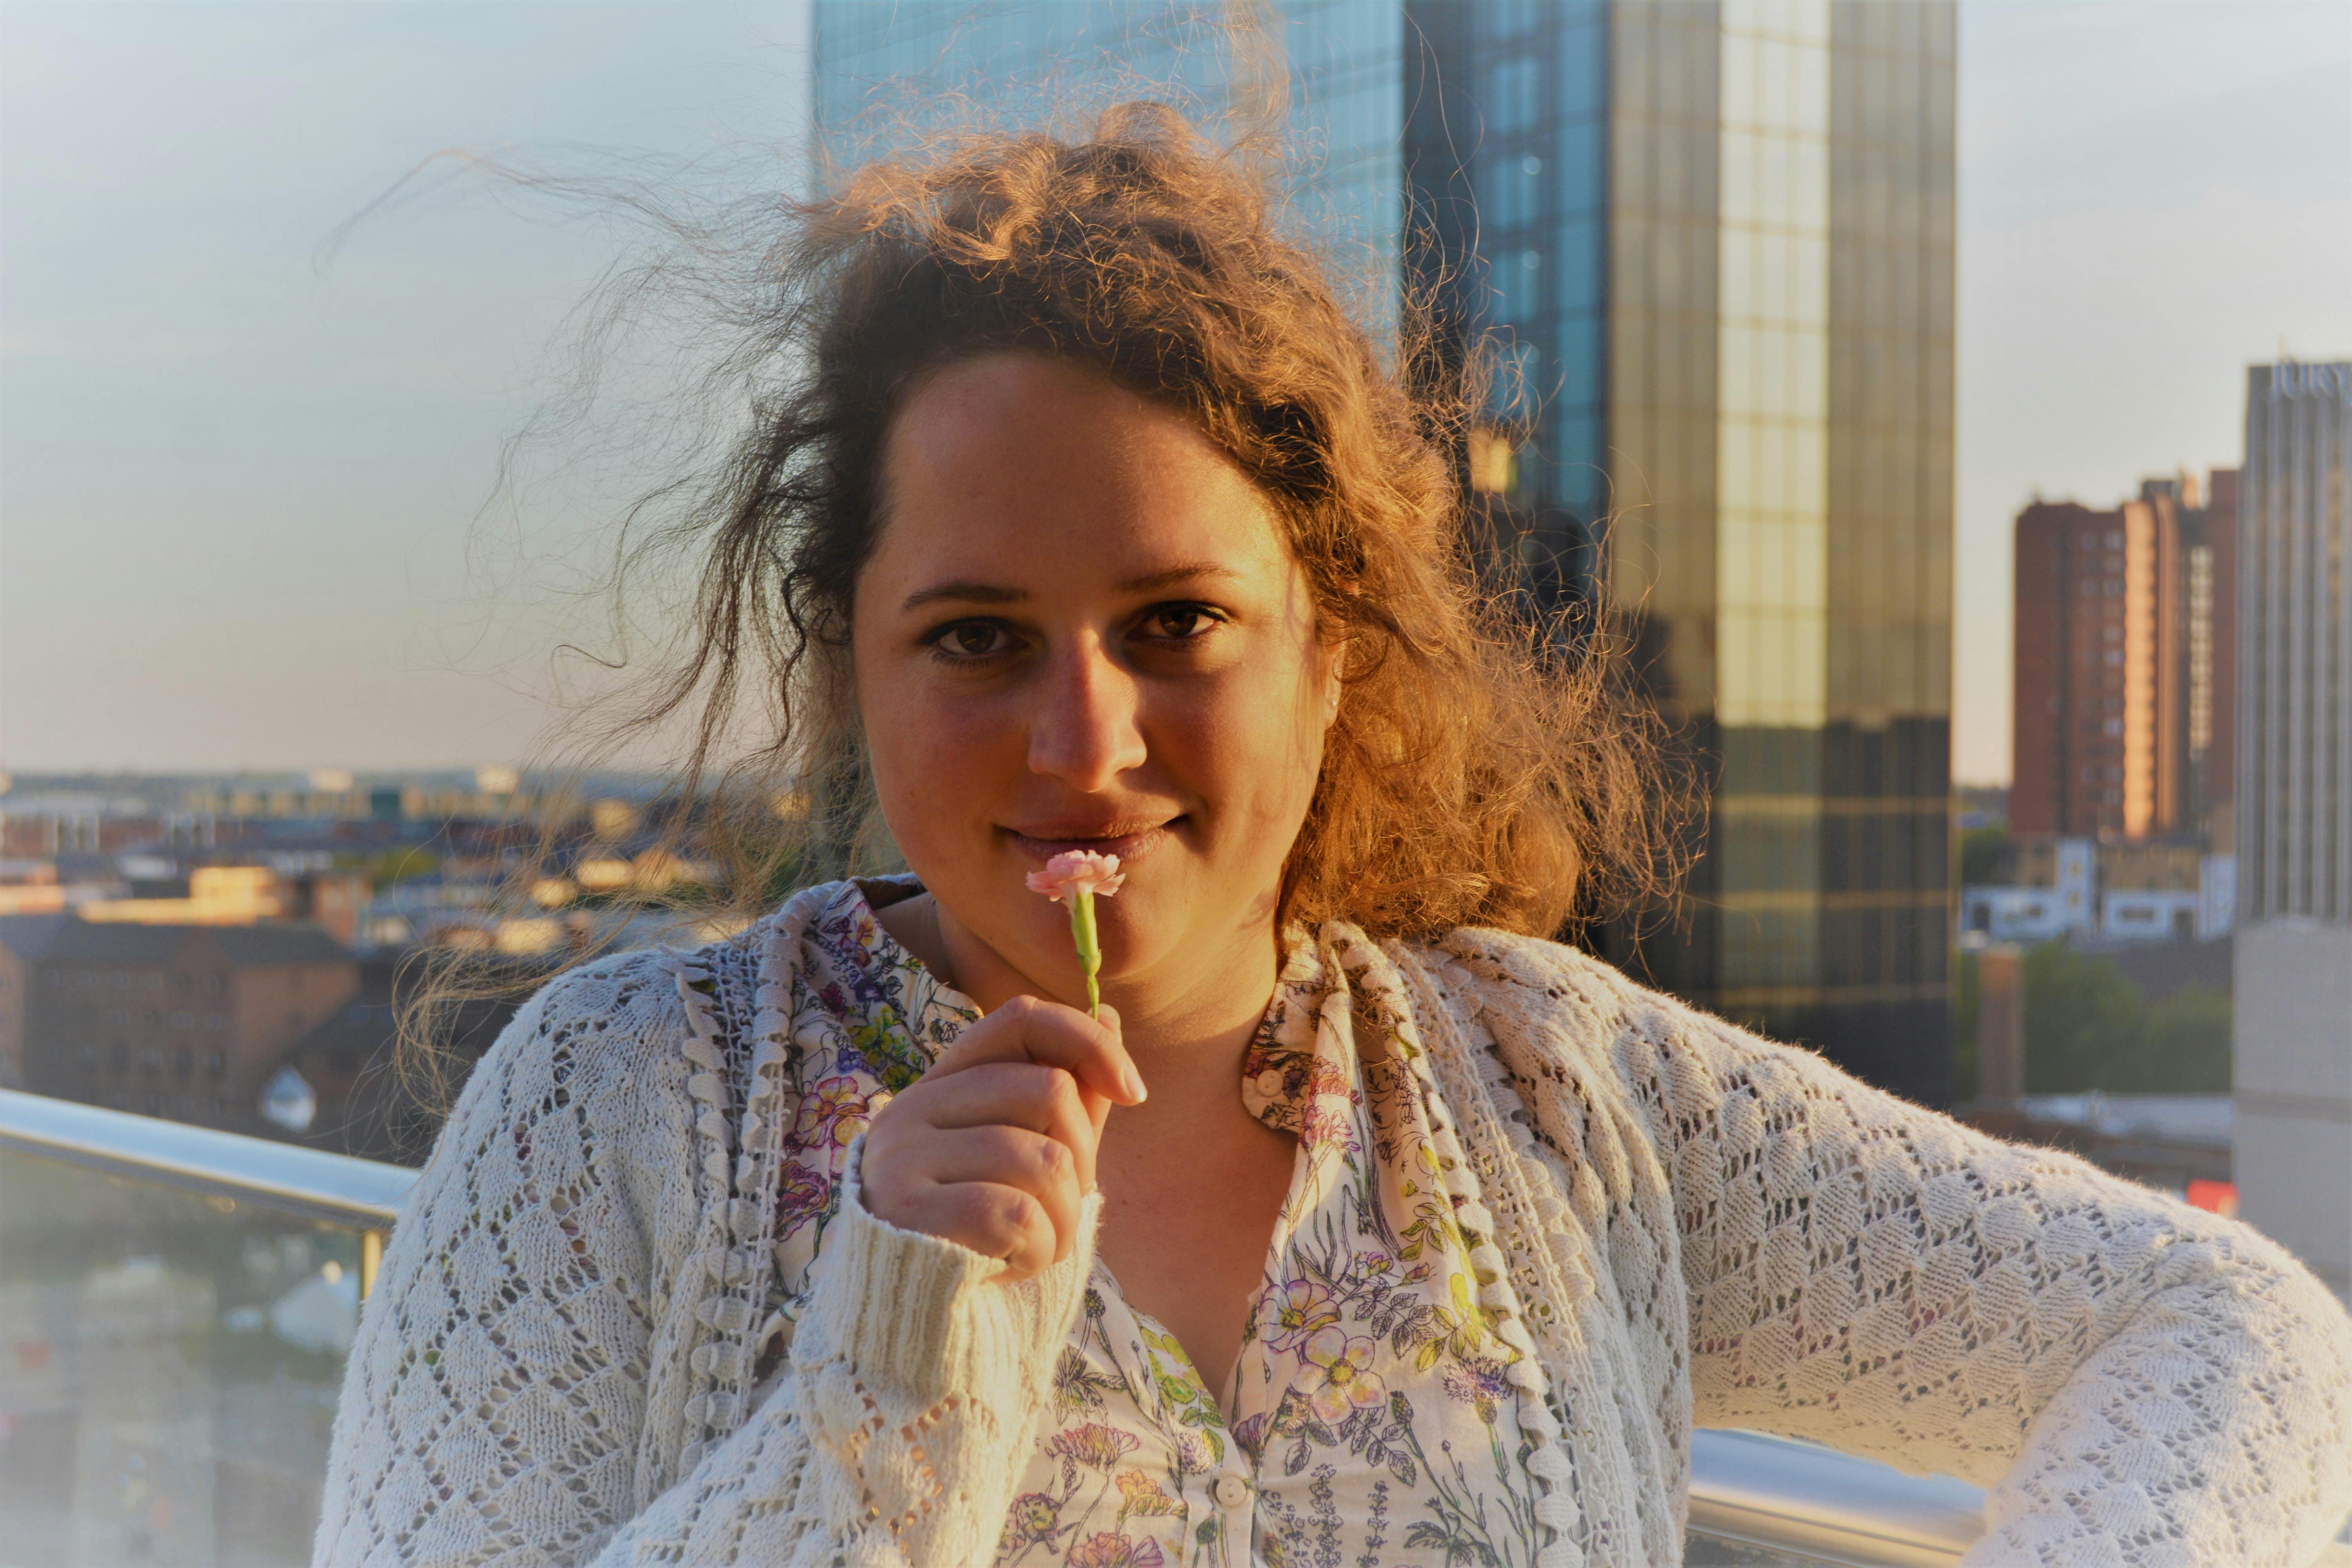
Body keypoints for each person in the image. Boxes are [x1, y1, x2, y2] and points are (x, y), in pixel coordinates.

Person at [312, 107, 2352, 1568]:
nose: (1082, 738)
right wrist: (885, 1391)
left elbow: (2229, 1326)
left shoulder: (1563, 1088)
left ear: (1332, 655)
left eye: (1177, 623)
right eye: (977, 635)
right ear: (850, 662)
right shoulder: (612, 1103)